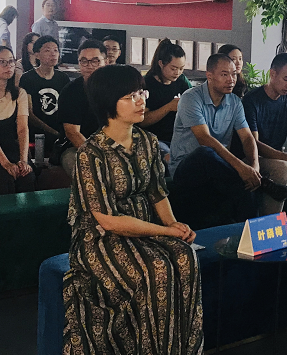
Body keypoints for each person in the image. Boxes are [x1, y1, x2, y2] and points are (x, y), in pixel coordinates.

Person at [62, 64, 203, 354]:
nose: (141, 101)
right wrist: (165, 231)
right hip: (100, 239)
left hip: (145, 228)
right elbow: (108, 220)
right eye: (130, 96)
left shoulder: (148, 142)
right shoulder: (91, 153)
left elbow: (157, 193)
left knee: (186, 257)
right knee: (157, 269)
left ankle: (179, 349)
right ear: (108, 104)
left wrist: (173, 225)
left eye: (141, 93)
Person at [169, 54, 287, 222]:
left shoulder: (235, 103)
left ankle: (251, 228)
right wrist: (241, 168)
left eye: (233, 74)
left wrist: (254, 168)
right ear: (209, 76)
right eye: (224, 74)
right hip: (186, 168)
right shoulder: (191, 98)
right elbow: (204, 138)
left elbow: (247, 138)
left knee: (244, 187)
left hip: (219, 169)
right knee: (205, 153)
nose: (231, 80)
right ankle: (261, 186)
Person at [242, 53, 287, 214]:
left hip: (278, 156)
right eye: (286, 79)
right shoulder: (252, 100)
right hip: (252, 158)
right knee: (283, 168)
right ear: (272, 74)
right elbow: (254, 144)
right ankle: (272, 222)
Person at [57, 39, 106, 175]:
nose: (89, 66)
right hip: (77, 147)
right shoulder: (71, 92)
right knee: (81, 164)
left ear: (106, 62)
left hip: (110, 144)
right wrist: (98, 156)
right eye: (83, 61)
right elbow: (73, 133)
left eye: (95, 61)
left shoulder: (115, 89)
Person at [141, 39, 191, 160]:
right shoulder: (147, 84)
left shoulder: (181, 80)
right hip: (155, 139)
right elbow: (142, 120)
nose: (177, 73)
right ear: (161, 63)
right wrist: (168, 107)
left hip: (179, 137)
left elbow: (193, 98)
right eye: (173, 68)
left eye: (181, 68)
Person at [19, 35, 70, 153]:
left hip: (61, 132)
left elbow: (67, 108)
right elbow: (29, 114)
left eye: (56, 50)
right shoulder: (27, 78)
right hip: (37, 133)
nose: (53, 54)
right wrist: (53, 132)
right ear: (37, 55)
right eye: (47, 50)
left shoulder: (63, 78)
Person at [0, 46, 35, 194]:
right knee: (5, 179)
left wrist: (23, 160)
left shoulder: (20, 93)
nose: (8, 66)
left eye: (11, 61)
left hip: (10, 147)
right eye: (2, 62)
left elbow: (22, 128)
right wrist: (6, 164)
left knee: (27, 176)